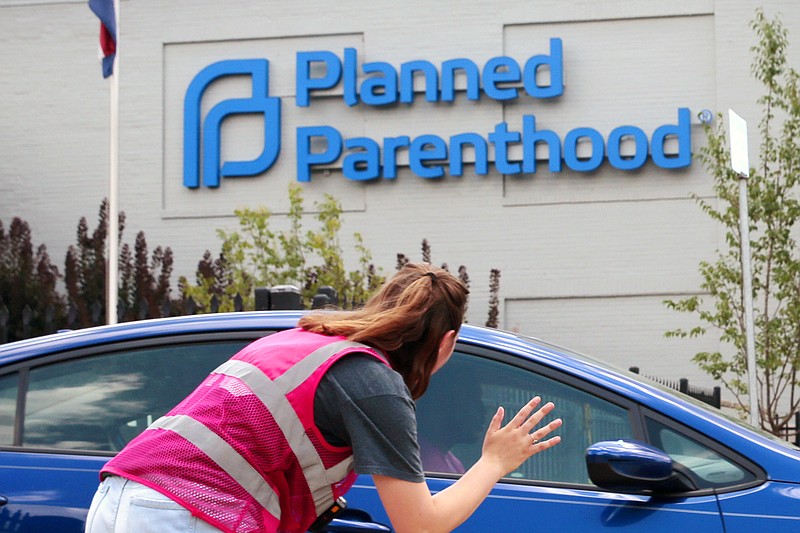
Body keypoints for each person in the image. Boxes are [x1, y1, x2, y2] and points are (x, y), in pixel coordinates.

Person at [84, 263, 562, 533]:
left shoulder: (301, 339)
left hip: (116, 501)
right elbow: (420, 525)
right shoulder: (374, 383)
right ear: (447, 342)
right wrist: (494, 462)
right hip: (183, 515)